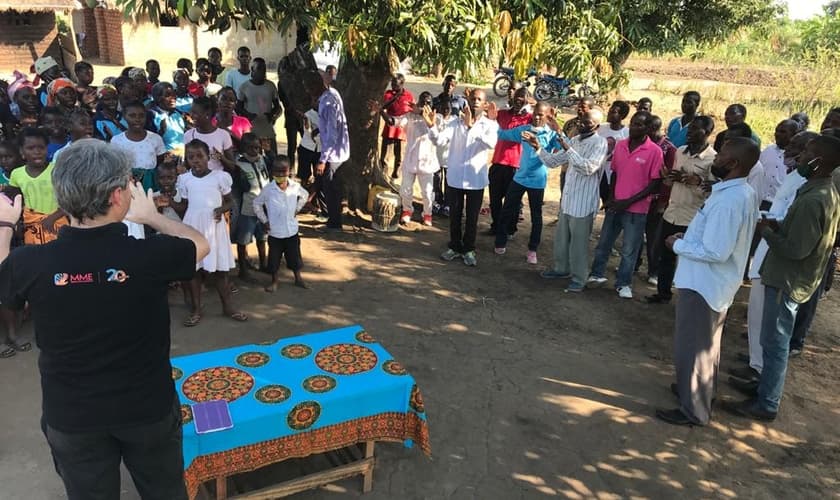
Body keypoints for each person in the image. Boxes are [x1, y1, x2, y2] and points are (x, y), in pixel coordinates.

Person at [0, 138, 208, 499]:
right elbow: (199, 245)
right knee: (164, 491)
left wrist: (5, 224)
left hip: (72, 416)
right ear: (117, 196)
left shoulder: (29, 263)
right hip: (147, 410)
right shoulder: (150, 255)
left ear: (62, 197)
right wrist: (151, 216)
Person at [724, 134, 840, 422]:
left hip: (786, 278)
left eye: (805, 154)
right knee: (771, 340)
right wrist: (777, 223)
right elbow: (801, 232)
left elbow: (796, 249)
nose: (798, 159)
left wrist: (766, 231)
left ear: (819, 161)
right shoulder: (819, 190)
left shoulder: (815, 199)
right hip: (788, 276)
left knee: (776, 344)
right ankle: (763, 388)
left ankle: (767, 403)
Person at [654, 137, 760, 426]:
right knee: (707, 346)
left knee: (694, 347)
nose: (716, 158)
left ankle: (694, 410)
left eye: (722, 154)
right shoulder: (738, 192)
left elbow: (716, 250)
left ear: (734, 163)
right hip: (712, 283)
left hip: (705, 283)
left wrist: (677, 244)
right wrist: (685, 239)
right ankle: (699, 392)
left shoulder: (730, 200)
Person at [735, 131, 817, 385]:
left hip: (778, 259)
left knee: (771, 325)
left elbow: (793, 225)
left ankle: (760, 371)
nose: (792, 152)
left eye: (799, 148)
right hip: (767, 254)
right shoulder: (796, 178)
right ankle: (756, 362)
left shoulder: (810, 187)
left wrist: (769, 225)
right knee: (758, 316)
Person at [528, 110, 608, 292]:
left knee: (579, 245)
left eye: (586, 122)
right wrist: (538, 147)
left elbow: (588, 168)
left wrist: (568, 149)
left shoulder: (600, 143)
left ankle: (580, 279)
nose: (581, 124)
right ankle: (561, 269)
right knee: (562, 240)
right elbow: (553, 161)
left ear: (596, 126)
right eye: (581, 121)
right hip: (568, 200)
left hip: (583, 203)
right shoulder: (575, 140)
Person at [587, 112, 663, 299]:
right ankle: (596, 274)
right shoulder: (621, 146)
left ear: (648, 128)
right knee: (604, 243)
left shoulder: (654, 151)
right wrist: (611, 199)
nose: (634, 127)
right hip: (615, 206)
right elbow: (615, 173)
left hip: (636, 210)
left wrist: (628, 202)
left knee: (629, 249)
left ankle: (623, 283)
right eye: (633, 123)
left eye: (639, 125)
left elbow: (654, 183)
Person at [171, 139, 247, 326]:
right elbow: (184, 206)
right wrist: (169, 202)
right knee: (194, 270)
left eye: (200, 156)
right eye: (191, 157)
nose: (195, 160)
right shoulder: (185, 179)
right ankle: (197, 309)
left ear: (208, 157)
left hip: (214, 227)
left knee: (221, 270)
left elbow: (230, 201)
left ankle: (228, 306)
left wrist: (221, 210)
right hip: (193, 227)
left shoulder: (219, 177)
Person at [646, 116, 716, 305]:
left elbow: (714, 189)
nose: (690, 132)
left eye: (695, 129)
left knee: (689, 260)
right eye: (690, 128)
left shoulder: (712, 159)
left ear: (707, 133)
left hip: (691, 217)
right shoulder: (681, 152)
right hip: (672, 211)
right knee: (665, 255)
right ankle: (663, 293)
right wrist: (669, 178)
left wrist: (697, 181)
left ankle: (688, 298)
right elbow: (672, 179)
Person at [430, 89, 498, 266]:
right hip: (455, 178)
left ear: (484, 105)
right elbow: (439, 141)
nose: (475, 102)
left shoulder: (490, 125)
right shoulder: (454, 122)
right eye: (472, 98)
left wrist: (470, 127)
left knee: (472, 218)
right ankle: (454, 246)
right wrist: (431, 127)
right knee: (455, 216)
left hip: (475, 180)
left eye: (479, 99)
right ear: (467, 100)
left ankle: (469, 249)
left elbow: (490, 143)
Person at [493, 102, 559, 264]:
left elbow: (564, 147)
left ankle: (532, 249)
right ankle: (500, 241)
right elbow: (503, 134)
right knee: (507, 209)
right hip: (519, 178)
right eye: (535, 113)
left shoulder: (551, 135)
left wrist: (559, 132)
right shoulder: (524, 130)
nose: (537, 117)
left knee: (536, 216)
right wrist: (491, 120)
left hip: (537, 181)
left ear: (547, 116)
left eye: (541, 115)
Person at [303, 69, 349, 232]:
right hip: (339, 150)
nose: (308, 92)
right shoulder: (333, 93)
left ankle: (334, 224)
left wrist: (323, 160)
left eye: (309, 88)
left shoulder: (327, 104)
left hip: (333, 154)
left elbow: (331, 135)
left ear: (315, 86)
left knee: (330, 189)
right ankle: (332, 219)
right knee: (328, 186)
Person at [253, 155, 309, 291]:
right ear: (272, 172)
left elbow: (305, 195)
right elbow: (256, 204)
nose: (280, 174)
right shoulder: (268, 190)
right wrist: (264, 220)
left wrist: (297, 209)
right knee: (274, 259)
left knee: (294, 257)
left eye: (283, 171)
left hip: (291, 231)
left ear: (289, 171)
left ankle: (298, 278)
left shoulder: (295, 186)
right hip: (275, 232)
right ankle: (274, 281)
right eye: (277, 171)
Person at [8, 128, 67, 245]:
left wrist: (53, 218)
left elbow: (71, 199)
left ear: (47, 148)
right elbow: (16, 201)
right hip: (31, 226)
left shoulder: (57, 170)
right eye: (30, 148)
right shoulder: (16, 174)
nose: (37, 151)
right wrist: (16, 224)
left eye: (41, 147)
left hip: (57, 222)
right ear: (21, 151)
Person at [488, 87, 531, 236]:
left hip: (516, 166)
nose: (519, 99)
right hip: (498, 162)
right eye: (517, 96)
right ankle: (496, 226)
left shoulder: (530, 119)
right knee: (494, 200)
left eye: (523, 97)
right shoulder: (502, 114)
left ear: (527, 100)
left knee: (512, 201)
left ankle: (509, 229)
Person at [640, 115, 677, 284]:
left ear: (652, 129)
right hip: (639, 197)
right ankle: (634, 265)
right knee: (636, 234)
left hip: (656, 200)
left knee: (654, 237)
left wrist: (663, 201)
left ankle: (653, 271)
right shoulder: (643, 144)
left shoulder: (669, 149)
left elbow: (668, 178)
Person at [395, 91, 439, 226]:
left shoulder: (436, 118)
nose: (425, 105)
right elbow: (395, 122)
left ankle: (427, 214)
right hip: (410, 160)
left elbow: (437, 138)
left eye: (428, 103)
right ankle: (407, 211)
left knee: (427, 192)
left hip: (427, 163)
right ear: (418, 102)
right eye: (422, 102)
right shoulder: (409, 116)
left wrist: (425, 117)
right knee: (406, 189)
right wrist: (381, 111)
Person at [234, 133, 270, 282]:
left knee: (262, 237)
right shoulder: (239, 164)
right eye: (250, 148)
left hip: (264, 206)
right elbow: (240, 186)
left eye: (257, 147)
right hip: (248, 207)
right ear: (244, 148)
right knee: (243, 239)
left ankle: (264, 263)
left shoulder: (263, 159)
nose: (254, 150)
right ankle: (243, 269)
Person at [111, 100, 166, 192]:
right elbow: (115, 165)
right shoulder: (117, 140)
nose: (137, 119)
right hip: (127, 185)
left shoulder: (155, 138)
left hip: (151, 185)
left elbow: (160, 160)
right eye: (132, 116)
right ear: (124, 116)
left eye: (141, 116)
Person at [237, 58, 281, 157]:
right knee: (255, 156)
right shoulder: (244, 87)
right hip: (251, 129)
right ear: (252, 70)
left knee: (273, 156)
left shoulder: (270, 86)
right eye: (259, 69)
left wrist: (272, 115)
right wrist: (248, 115)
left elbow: (278, 107)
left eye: (264, 69)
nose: (262, 72)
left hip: (267, 128)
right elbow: (238, 107)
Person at [184, 97, 236, 172]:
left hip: (218, 180)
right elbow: (187, 164)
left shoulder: (223, 135)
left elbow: (232, 166)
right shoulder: (188, 135)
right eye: (191, 112)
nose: (191, 116)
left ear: (207, 114)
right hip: (197, 181)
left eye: (195, 113)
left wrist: (221, 158)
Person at [758, 119, 800, 211]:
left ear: (794, 134)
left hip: (780, 206)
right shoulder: (768, 150)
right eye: (777, 130)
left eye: (783, 132)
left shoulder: (798, 158)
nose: (777, 134)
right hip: (759, 202)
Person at [380, 74, 415, 179]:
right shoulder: (388, 94)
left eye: (395, 84)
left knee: (399, 155)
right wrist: (394, 98)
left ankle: (395, 176)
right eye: (392, 83)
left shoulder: (408, 95)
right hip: (390, 126)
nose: (392, 86)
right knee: (385, 155)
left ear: (402, 84)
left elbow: (413, 110)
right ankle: (383, 175)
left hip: (402, 129)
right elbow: (383, 107)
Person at [597, 100, 631, 206]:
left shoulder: (627, 133)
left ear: (622, 116)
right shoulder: (600, 128)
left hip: (614, 175)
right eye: (610, 111)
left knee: (609, 203)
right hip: (598, 172)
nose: (609, 113)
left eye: (613, 112)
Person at [149, 82, 188, 153]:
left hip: (182, 154)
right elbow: (149, 143)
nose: (173, 97)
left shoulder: (178, 113)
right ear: (158, 98)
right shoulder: (152, 115)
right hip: (167, 157)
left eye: (174, 94)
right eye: (168, 95)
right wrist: (161, 132)